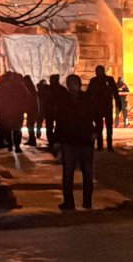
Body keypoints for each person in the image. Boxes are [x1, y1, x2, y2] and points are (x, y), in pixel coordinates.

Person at [52, 74, 97, 209]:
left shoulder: (66, 100)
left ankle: (72, 202)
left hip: (73, 140)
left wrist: (56, 140)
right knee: (84, 172)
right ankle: (85, 202)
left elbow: (60, 121)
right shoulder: (85, 99)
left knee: (71, 172)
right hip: (81, 140)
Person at [0, 72, 28, 153]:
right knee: (17, 129)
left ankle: (11, 145)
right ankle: (17, 146)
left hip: (8, 111)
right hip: (18, 111)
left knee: (9, 128)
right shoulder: (21, 87)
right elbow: (26, 97)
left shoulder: (5, 87)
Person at [87, 66, 119, 150]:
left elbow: (115, 92)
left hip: (103, 106)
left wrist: (118, 103)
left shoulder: (105, 80)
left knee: (105, 126)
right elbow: (89, 94)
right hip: (99, 107)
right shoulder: (95, 81)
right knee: (100, 127)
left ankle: (106, 145)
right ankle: (103, 145)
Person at [23, 75, 41, 147]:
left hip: (32, 111)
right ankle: (31, 140)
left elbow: (30, 101)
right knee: (30, 125)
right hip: (33, 110)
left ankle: (32, 140)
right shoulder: (32, 89)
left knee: (30, 125)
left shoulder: (30, 90)